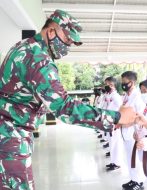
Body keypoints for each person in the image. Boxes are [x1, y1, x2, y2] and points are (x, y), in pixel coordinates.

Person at [0, 10, 137, 190]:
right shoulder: (38, 59)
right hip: (10, 133)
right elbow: (64, 107)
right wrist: (116, 118)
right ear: (51, 32)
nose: (68, 46)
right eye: (67, 40)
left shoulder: (25, 46)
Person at [120, 71, 146, 190]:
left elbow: (140, 116)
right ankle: (133, 179)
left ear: (132, 82)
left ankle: (139, 182)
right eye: (122, 82)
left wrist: (128, 123)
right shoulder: (126, 95)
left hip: (134, 132)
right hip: (125, 130)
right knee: (129, 157)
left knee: (134, 157)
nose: (123, 85)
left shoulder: (138, 96)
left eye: (125, 83)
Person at [102, 77, 124, 171]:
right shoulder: (109, 95)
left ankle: (117, 163)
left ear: (112, 85)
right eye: (105, 84)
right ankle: (113, 161)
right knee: (111, 142)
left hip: (114, 122)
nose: (106, 86)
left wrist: (118, 122)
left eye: (108, 84)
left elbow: (121, 108)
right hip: (108, 120)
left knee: (115, 143)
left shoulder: (115, 96)